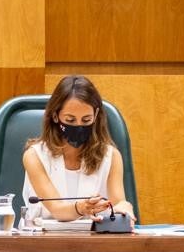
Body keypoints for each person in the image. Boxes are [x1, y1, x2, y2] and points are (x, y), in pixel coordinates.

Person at [21, 75, 135, 224]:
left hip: (94, 243)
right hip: (43, 243)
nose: (79, 126)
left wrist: (124, 208)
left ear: (95, 116)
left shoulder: (111, 156)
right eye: (70, 120)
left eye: (86, 120)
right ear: (55, 116)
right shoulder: (34, 156)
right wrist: (81, 208)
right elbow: (57, 209)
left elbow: (118, 203)